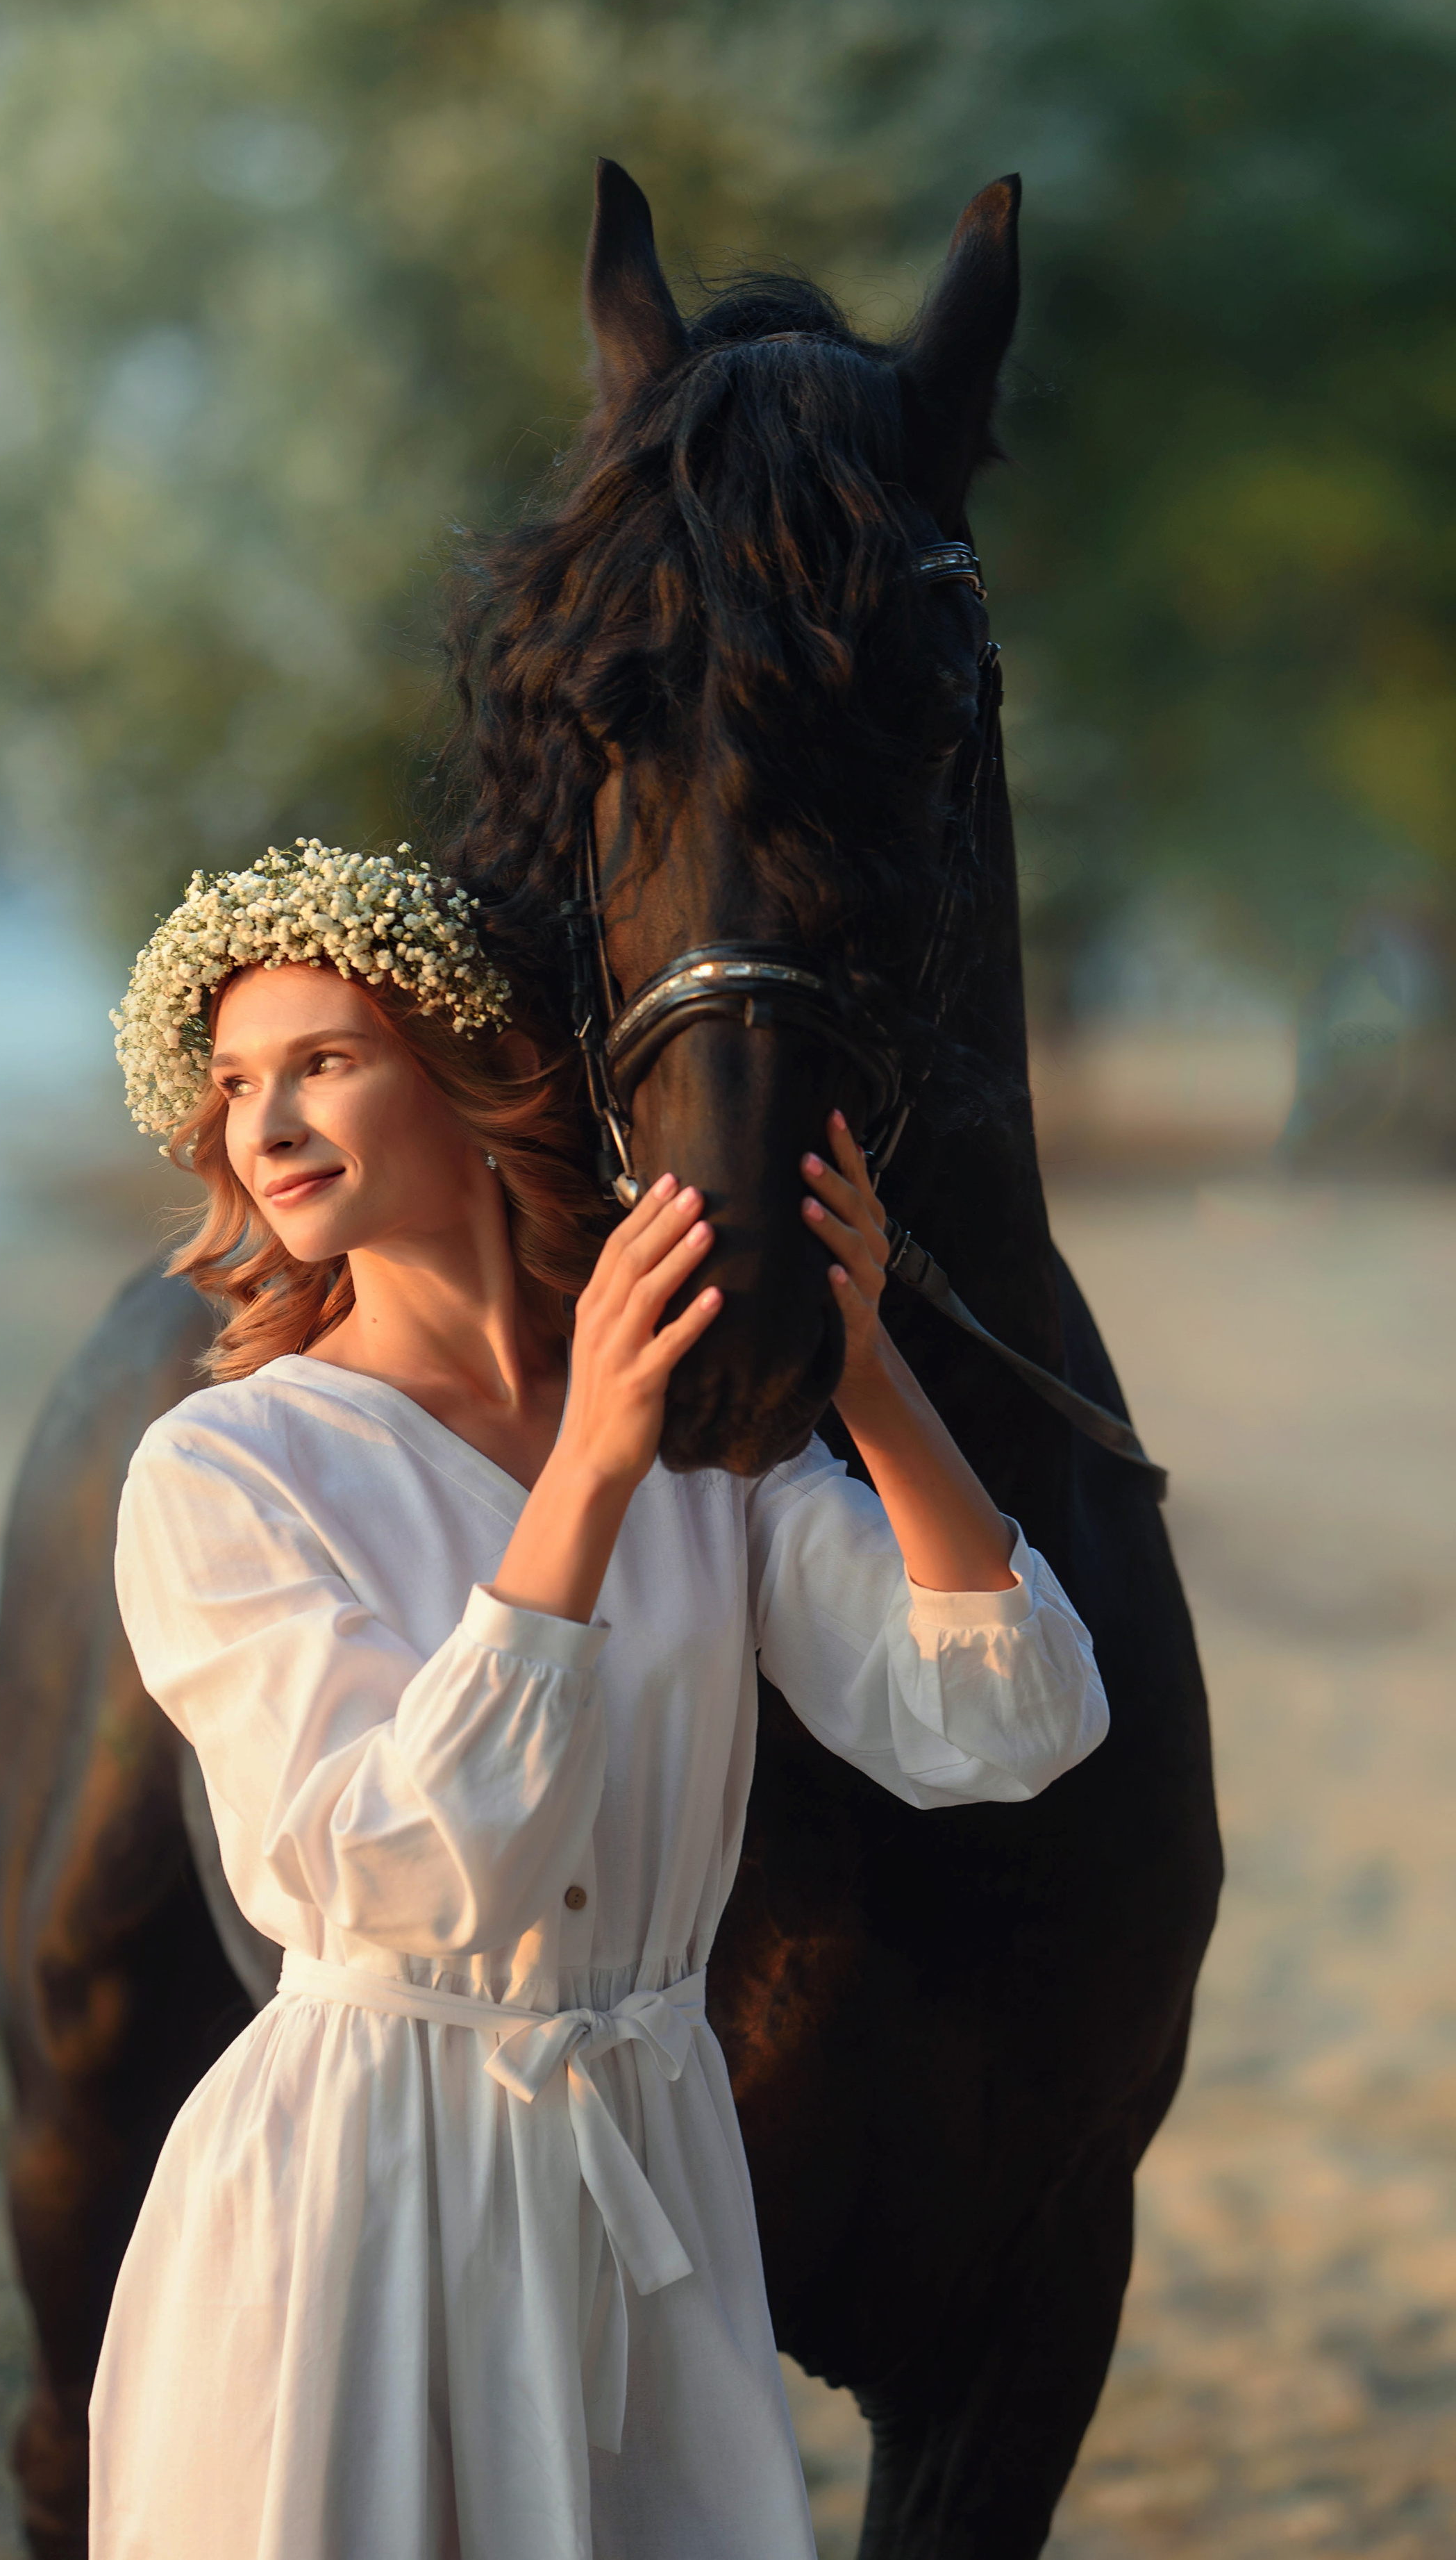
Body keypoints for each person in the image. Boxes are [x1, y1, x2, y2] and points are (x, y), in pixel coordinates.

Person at [90, 839, 1108, 2560]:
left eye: (324, 1063)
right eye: (237, 1084)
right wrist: (589, 1471)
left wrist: (857, 1373)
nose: (262, 1127)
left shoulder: (701, 1442)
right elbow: (396, 1867)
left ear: (476, 1072)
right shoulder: (226, 1469)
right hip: (362, 2193)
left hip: (651, 2180)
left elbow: (1005, 1726)